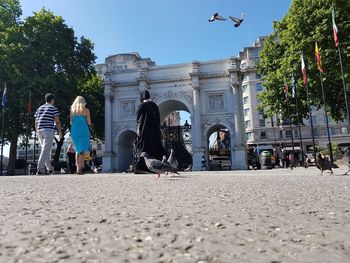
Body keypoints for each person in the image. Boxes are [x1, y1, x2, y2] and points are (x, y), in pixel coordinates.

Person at [135, 90, 166, 173]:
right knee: (155, 148)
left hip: (145, 132)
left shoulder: (141, 105)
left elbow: (139, 120)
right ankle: (155, 168)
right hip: (155, 132)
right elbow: (158, 120)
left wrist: (138, 130)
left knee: (144, 149)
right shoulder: (155, 106)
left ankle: (141, 168)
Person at [35, 93, 63, 175]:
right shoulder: (53, 108)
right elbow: (57, 121)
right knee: (46, 149)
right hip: (48, 130)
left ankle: (49, 168)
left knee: (45, 149)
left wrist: (36, 130)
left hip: (39, 130)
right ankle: (40, 169)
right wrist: (60, 132)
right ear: (52, 100)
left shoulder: (39, 108)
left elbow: (36, 120)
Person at [70, 96, 91, 175]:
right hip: (83, 130)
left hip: (74, 131)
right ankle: (80, 168)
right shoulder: (86, 110)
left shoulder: (72, 110)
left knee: (77, 149)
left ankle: (78, 167)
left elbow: (71, 122)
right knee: (82, 150)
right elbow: (89, 122)